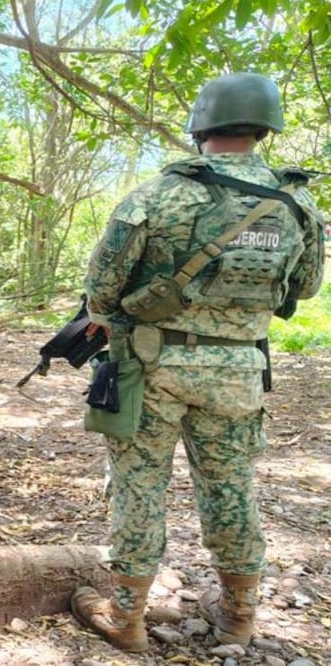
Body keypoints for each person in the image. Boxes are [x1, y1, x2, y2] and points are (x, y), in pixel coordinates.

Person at [71, 72, 324, 652]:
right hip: (238, 371)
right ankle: (238, 617)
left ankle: (126, 617)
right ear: (265, 125)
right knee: (232, 488)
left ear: (202, 124)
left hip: (151, 369)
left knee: (139, 486)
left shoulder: (161, 193)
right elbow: (305, 289)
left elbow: (102, 287)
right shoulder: (296, 202)